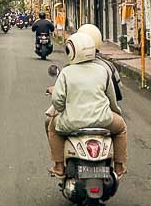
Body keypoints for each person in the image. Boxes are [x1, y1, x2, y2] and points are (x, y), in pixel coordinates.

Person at [45, 29, 127, 178]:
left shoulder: (66, 72)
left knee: (52, 128)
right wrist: (116, 112)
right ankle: (119, 166)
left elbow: (58, 101)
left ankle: (58, 166)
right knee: (121, 128)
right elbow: (112, 98)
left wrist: (62, 109)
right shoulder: (103, 70)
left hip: (71, 122)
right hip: (103, 120)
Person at [78, 23, 123, 104]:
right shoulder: (108, 67)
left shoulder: (69, 69)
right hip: (102, 113)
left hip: (77, 112)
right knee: (119, 117)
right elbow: (118, 94)